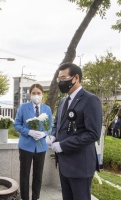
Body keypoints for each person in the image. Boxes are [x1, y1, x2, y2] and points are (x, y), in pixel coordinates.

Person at [46, 63, 102, 200]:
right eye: (59, 79)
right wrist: (53, 136)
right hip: (64, 164)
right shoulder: (63, 102)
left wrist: (62, 145)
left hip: (80, 165)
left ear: (76, 78)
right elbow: (57, 123)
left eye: (64, 78)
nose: (61, 82)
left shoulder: (90, 100)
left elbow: (93, 133)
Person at [14, 83, 52, 200]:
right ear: (30, 94)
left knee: (38, 175)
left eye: (38, 93)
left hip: (41, 147)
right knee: (24, 175)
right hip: (26, 146)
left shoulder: (47, 109)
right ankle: (24, 198)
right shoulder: (23, 108)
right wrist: (28, 132)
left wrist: (44, 133)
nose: (36, 95)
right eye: (34, 93)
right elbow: (17, 124)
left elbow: (50, 126)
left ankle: (36, 198)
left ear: (42, 94)